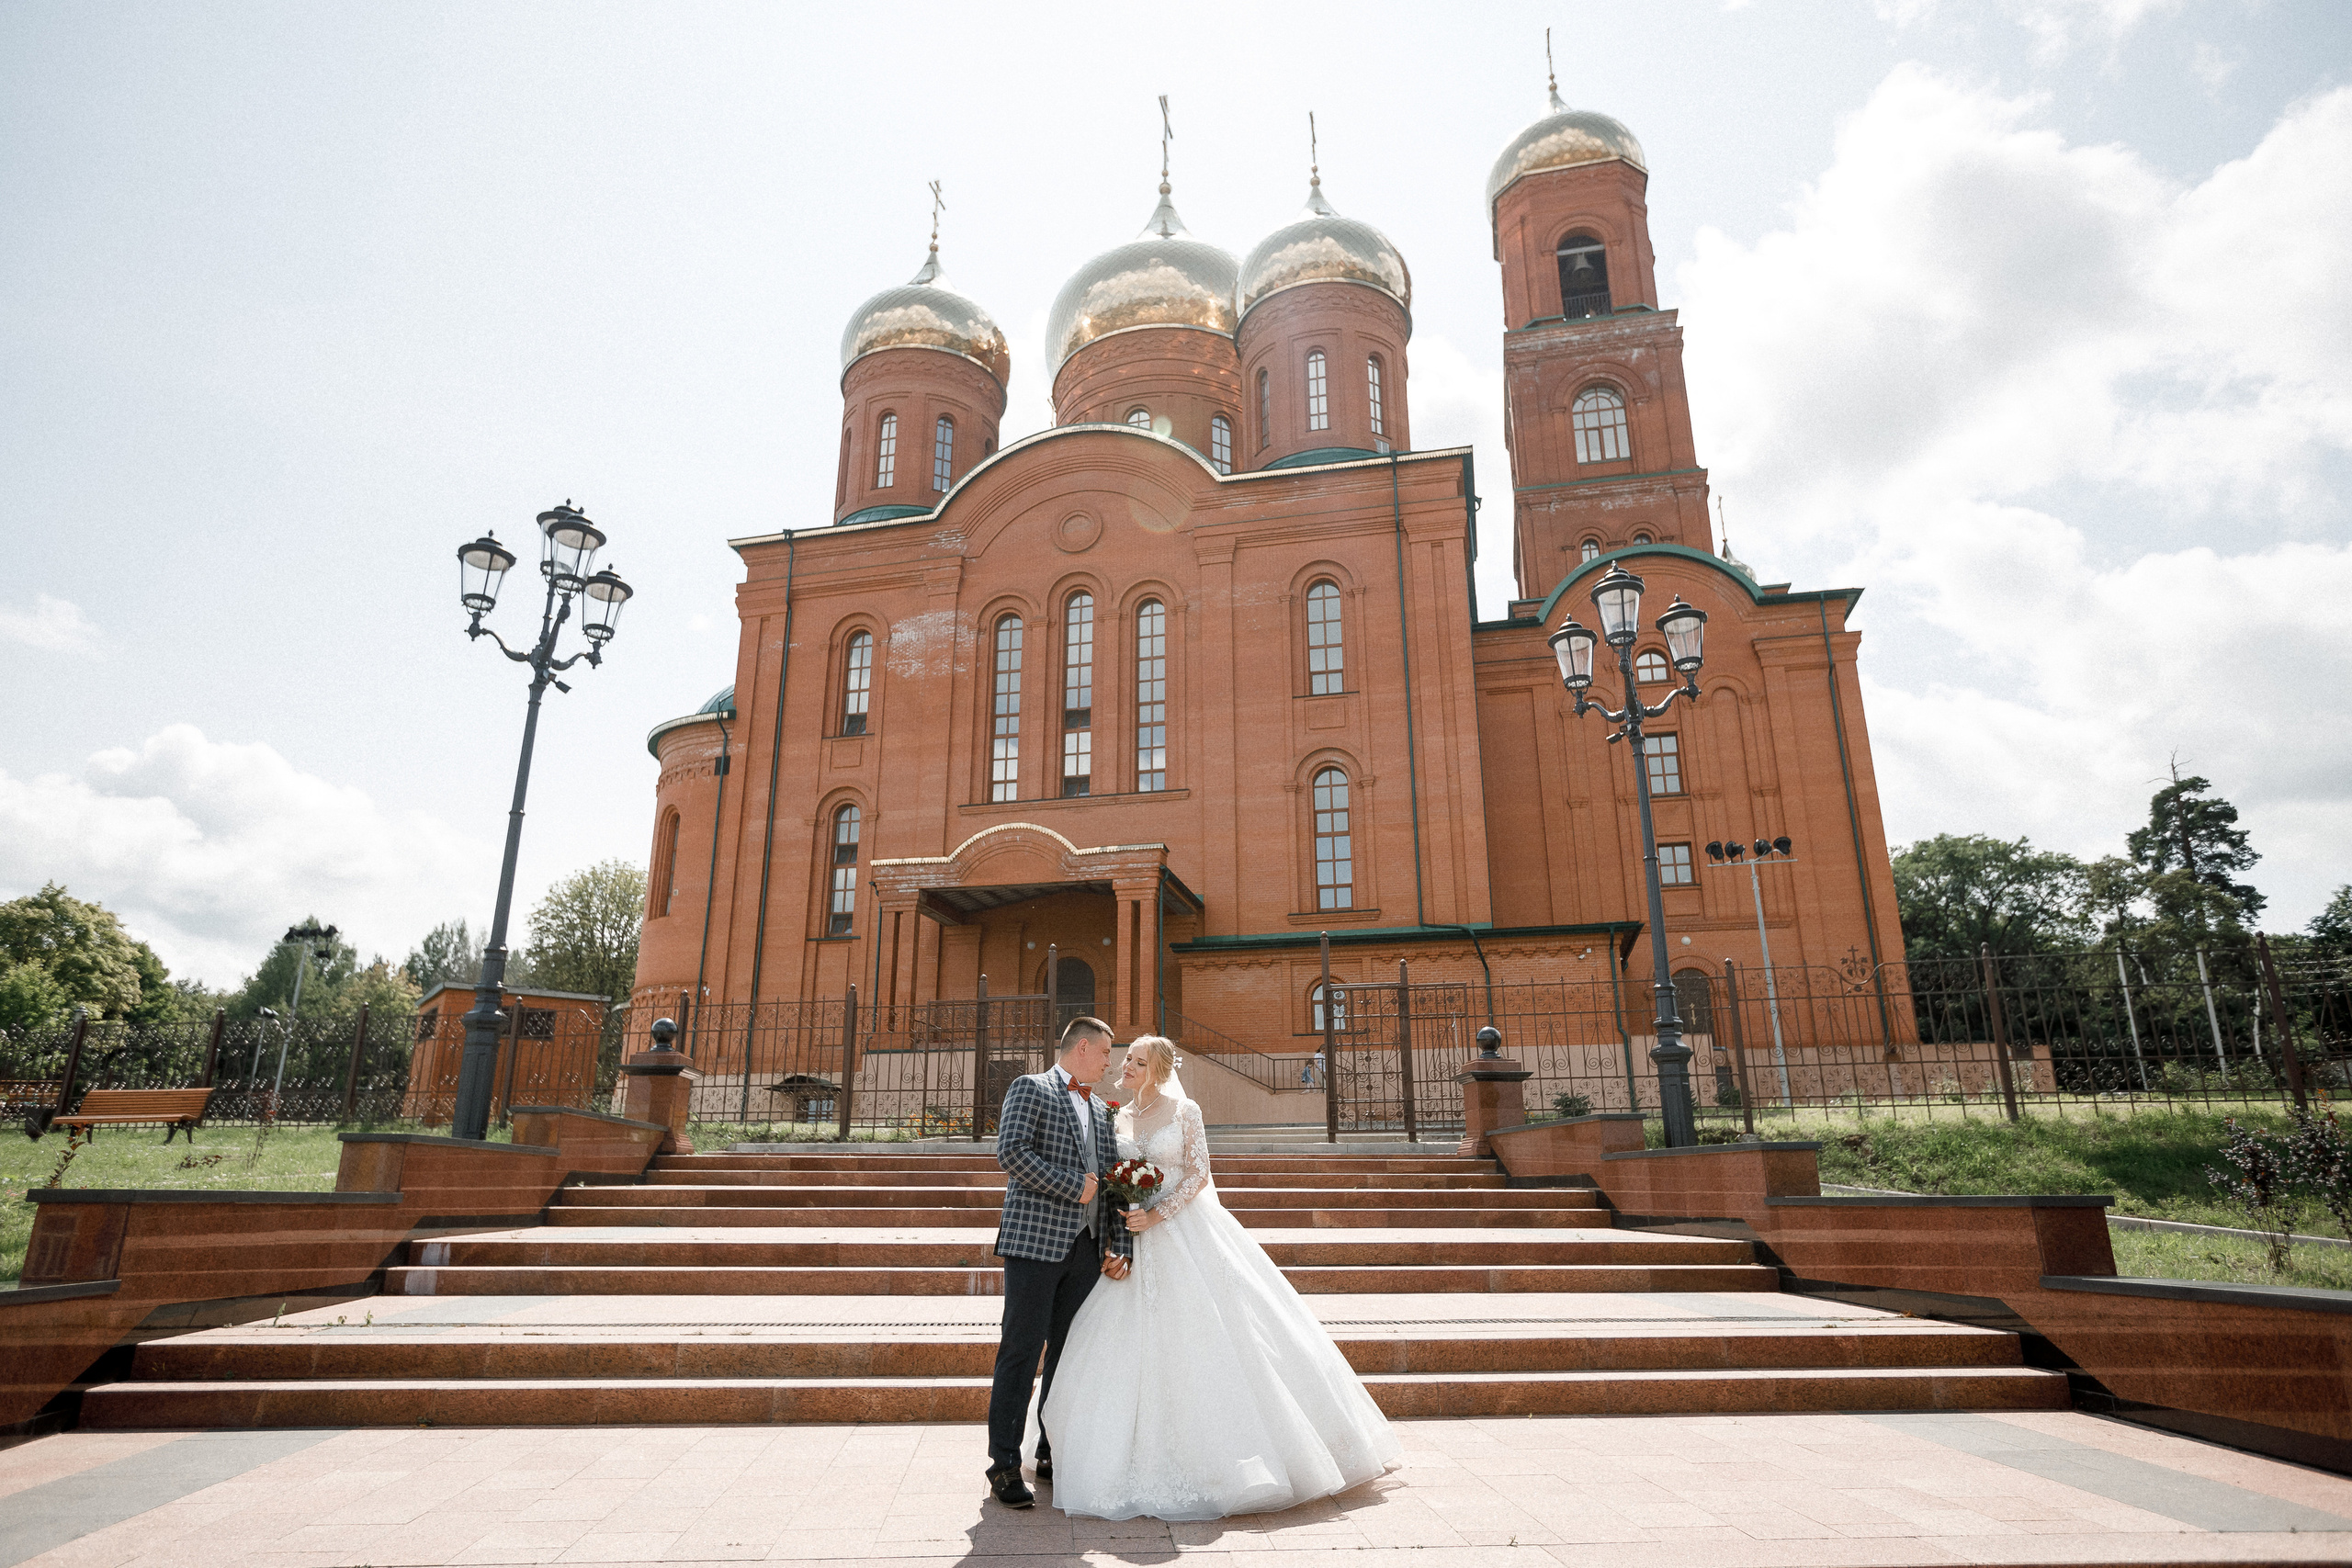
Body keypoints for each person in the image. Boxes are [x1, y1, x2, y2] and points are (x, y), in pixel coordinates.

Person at [1037, 1034, 1401, 1521]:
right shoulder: (1112, 1115)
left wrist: (1158, 1213)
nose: (1125, 1066)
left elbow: (1198, 1173)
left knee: (1207, 1336)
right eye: (1125, 1059)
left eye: (1137, 1061)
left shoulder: (1185, 1112)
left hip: (1183, 1229)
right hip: (1130, 1237)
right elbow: (1108, 1181)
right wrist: (1119, 1230)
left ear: (1160, 1069)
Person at [984, 1015, 1131, 1510]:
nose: (1112, 1062)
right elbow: (1012, 1153)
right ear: (1083, 1047)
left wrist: (1119, 1246)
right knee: (1021, 1351)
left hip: (1086, 1251)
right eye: (1108, 1052)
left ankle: (1049, 1451)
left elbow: (1112, 1180)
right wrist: (1073, 1186)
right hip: (1034, 1246)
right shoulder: (1030, 1088)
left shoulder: (1102, 1108)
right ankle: (1003, 1463)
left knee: (1068, 1357)